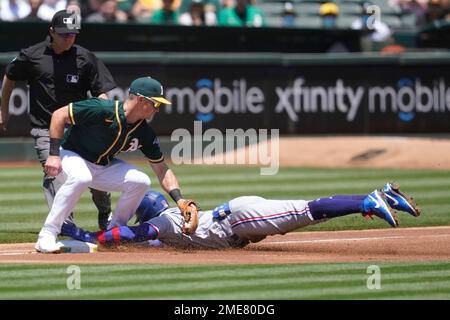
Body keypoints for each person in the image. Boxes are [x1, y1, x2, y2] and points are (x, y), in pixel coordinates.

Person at [34, 76, 199, 253]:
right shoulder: (102, 109)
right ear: (141, 100)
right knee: (81, 176)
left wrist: (179, 199)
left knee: (141, 181)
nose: (157, 110)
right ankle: (47, 234)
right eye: (156, 104)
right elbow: (59, 115)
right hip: (71, 155)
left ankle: (114, 233)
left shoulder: (144, 132)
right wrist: (53, 155)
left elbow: (161, 169)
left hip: (101, 166)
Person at [1, 10, 117, 232]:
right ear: (51, 32)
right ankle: (64, 223)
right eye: (64, 34)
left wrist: (107, 115)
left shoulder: (84, 57)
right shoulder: (32, 55)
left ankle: (105, 215)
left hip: (79, 129)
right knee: (54, 172)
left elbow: (101, 92)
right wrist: (3, 110)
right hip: (45, 129)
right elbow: (10, 75)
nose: (69, 38)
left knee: (96, 175)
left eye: (73, 34)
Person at [61, 182, 421, 250]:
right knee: (304, 214)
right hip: (238, 222)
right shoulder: (165, 232)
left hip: (239, 220)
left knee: (305, 211)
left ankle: (369, 200)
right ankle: (378, 196)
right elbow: (143, 238)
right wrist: (75, 230)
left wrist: (94, 238)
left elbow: (128, 236)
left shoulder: (168, 221)